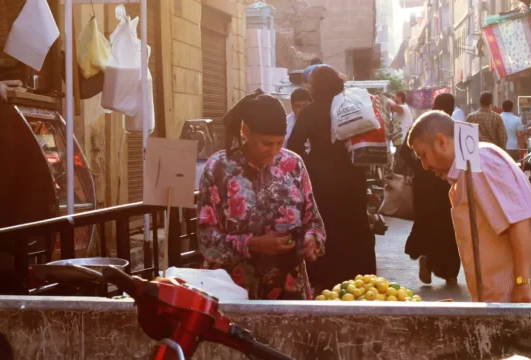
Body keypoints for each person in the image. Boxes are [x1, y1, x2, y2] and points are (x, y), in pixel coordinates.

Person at [407, 111, 531, 303]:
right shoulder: (469, 168)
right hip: (509, 298)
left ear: (441, 141)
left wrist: (523, 282)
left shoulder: (480, 162)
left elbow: (520, 221)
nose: (424, 166)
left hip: (529, 296)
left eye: (423, 155)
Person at [197, 91, 326, 300]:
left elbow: (314, 221)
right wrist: (254, 244)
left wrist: (312, 239)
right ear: (245, 131)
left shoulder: (293, 164)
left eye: (279, 143)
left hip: (289, 293)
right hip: (233, 293)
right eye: (266, 143)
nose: (273, 150)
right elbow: (206, 240)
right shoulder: (219, 169)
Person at [288, 65, 377, 291]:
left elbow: (294, 144)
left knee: (326, 226)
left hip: (321, 179)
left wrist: (311, 163)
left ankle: (326, 280)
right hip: (352, 176)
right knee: (354, 225)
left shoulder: (310, 111)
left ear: (316, 87)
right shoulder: (350, 107)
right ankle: (359, 280)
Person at [397, 93, 460, 285]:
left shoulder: (423, 124)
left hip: (426, 184)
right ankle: (450, 273)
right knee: (449, 225)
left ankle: (426, 255)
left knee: (426, 220)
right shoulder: (448, 127)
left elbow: (403, 151)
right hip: (444, 184)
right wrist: (425, 163)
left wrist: (419, 166)